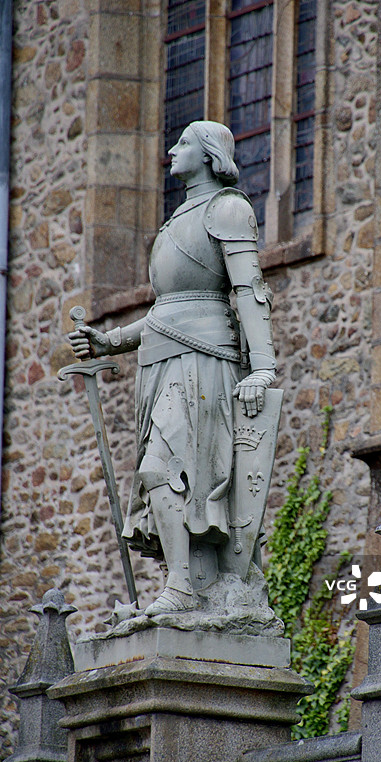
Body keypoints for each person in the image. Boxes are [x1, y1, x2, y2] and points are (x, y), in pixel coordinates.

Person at [69, 121, 276, 616]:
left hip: (203, 363)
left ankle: (183, 589)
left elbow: (249, 291)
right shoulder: (177, 218)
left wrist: (263, 367)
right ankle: (183, 585)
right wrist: (111, 341)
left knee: (165, 471)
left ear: (208, 155)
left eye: (182, 143)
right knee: (167, 475)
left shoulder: (228, 207)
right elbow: (167, 308)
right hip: (160, 360)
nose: (170, 149)